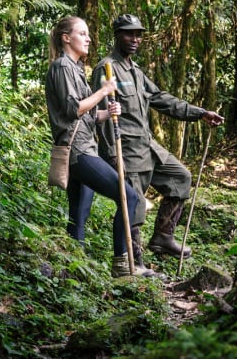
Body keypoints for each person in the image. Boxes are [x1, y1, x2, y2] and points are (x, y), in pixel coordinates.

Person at [91, 13, 223, 260]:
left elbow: (162, 99)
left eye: (138, 34)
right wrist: (111, 156)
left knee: (180, 178)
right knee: (134, 205)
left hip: (148, 145)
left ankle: (163, 237)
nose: (135, 39)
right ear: (117, 35)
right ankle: (135, 262)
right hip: (126, 150)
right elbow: (100, 114)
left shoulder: (136, 71)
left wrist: (200, 113)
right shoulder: (107, 68)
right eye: (129, 33)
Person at [45, 15, 159, 278]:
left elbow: (85, 114)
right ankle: (122, 262)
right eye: (82, 34)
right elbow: (73, 109)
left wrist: (105, 113)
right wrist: (104, 91)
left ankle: (72, 272)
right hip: (78, 151)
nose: (88, 38)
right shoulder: (62, 66)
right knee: (128, 196)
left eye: (88, 34)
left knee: (79, 213)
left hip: (84, 145)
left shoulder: (74, 68)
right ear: (66, 38)